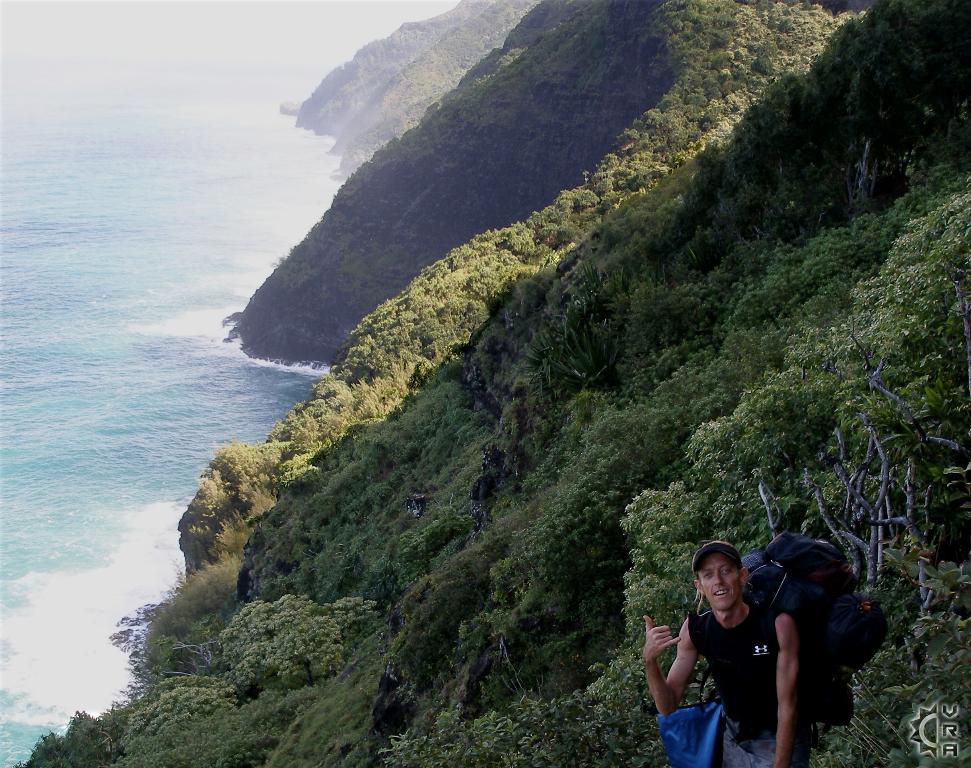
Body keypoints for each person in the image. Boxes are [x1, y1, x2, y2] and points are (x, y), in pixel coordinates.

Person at [642, 541, 811, 768]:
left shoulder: (777, 625)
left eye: (725, 571)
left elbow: (788, 705)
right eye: (708, 575)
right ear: (699, 586)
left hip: (780, 735)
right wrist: (650, 661)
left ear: (742, 576)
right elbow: (667, 706)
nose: (718, 581)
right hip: (733, 736)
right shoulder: (696, 630)